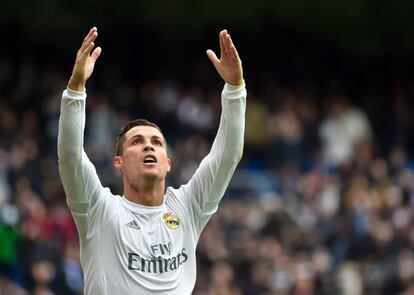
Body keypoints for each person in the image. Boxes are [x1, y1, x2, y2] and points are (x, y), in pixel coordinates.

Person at [57, 27, 246, 295]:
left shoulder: (188, 208)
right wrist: (75, 90)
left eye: (156, 142)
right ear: (118, 162)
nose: (148, 145)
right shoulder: (98, 210)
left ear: (167, 163)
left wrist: (235, 88)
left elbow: (227, 156)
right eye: (136, 141)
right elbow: (70, 156)